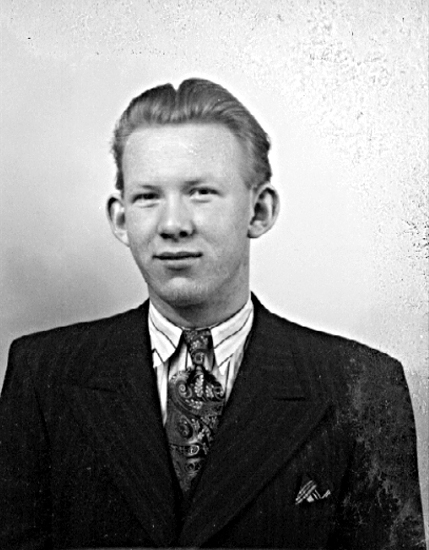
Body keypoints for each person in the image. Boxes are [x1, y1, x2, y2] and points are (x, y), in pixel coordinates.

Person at [0, 78, 425, 550]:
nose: (173, 224)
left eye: (201, 192)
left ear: (259, 211)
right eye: (148, 197)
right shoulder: (43, 375)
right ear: (120, 219)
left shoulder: (361, 386)